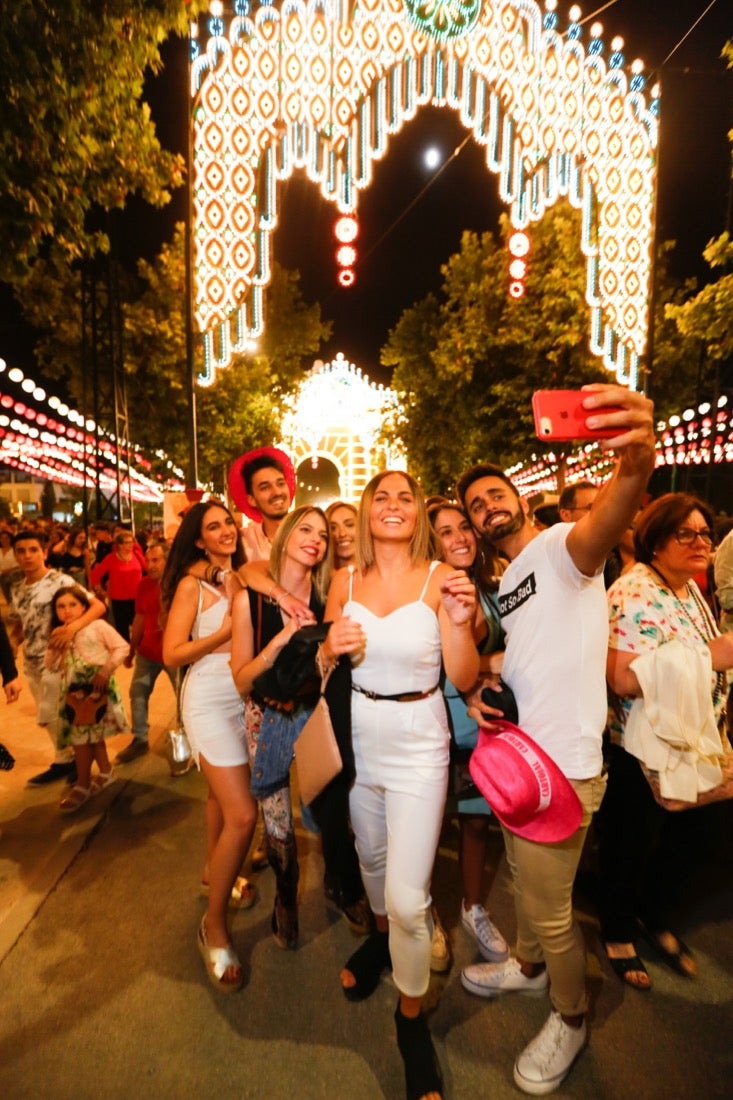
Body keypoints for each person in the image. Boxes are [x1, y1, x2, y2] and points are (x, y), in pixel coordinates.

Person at [456, 383, 656, 1096]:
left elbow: (605, 519)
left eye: (493, 494)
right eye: (474, 505)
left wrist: (635, 459)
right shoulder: (508, 577)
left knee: (548, 908)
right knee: (522, 885)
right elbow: (527, 651)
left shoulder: (555, 550)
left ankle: (569, 1016)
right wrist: (485, 677)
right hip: (519, 761)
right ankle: (528, 968)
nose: (485, 507)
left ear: (518, 496)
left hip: (564, 768)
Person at [319, 470, 479, 1100]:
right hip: (360, 730)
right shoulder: (344, 580)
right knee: (371, 859)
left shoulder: (441, 580)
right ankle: (383, 944)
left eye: (403, 497)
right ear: (365, 511)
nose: (391, 505)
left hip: (419, 734)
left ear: (417, 512)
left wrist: (462, 623)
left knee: (411, 896)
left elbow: (463, 676)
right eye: (379, 496)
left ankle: (410, 1022)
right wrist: (328, 644)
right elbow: (321, 662)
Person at [598, 493, 733, 991]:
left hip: (695, 739)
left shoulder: (689, 588)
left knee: (700, 839)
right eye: (686, 533)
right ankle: (616, 930)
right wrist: (712, 657)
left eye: (706, 532)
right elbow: (621, 679)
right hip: (643, 745)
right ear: (656, 541)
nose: (701, 542)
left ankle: (655, 915)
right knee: (629, 843)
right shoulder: (633, 591)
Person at [230, 505, 337, 949]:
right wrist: (279, 641)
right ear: (286, 536)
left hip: (314, 713)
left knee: (328, 810)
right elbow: (240, 680)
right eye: (306, 529)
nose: (315, 538)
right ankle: (286, 896)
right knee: (276, 822)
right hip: (266, 714)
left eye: (323, 534)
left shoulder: (331, 592)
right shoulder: (250, 598)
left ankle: (340, 885)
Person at [161, 500, 257, 993]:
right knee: (244, 815)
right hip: (206, 697)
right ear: (197, 540)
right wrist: (221, 631)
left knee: (221, 798)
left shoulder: (241, 574)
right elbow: (171, 651)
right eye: (212, 527)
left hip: (244, 695)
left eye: (228, 523)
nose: (225, 530)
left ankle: (210, 869)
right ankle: (213, 926)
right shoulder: (191, 585)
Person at [427, 502, 509, 967]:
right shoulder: (424, 591)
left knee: (476, 821)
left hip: (480, 725)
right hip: (436, 719)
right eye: (445, 531)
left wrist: (493, 664)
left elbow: (502, 645)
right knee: (429, 825)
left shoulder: (491, 586)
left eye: (464, 528)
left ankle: (473, 907)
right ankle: (427, 914)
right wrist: (488, 664)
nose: (459, 537)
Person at [7, 529, 107, 786]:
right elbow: (21, 625)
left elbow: (97, 606)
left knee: (70, 715)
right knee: (50, 717)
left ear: (44, 552)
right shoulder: (17, 589)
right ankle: (64, 759)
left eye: (33, 550)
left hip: (63, 663)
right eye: (21, 551)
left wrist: (72, 628)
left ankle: (82, 762)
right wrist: (13, 643)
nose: (27, 556)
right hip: (32, 663)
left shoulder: (60, 582)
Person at [42, 586, 129, 813]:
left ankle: (82, 785)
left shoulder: (97, 626)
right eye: (61, 606)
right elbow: (50, 665)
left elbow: (122, 647)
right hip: (72, 695)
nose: (67, 611)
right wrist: (54, 647)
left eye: (73, 605)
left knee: (82, 739)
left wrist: (105, 670)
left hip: (97, 691)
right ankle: (106, 772)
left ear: (83, 606)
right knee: (88, 736)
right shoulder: (58, 632)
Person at [116, 541, 176, 763]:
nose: (149, 565)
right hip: (148, 652)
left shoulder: (179, 585)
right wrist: (131, 650)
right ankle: (140, 739)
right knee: (138, 693)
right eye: (148, 560)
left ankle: (186, 742)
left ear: (168, 561)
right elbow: (139, 619)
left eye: (155, 560)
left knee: (183, 700)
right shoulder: (143, 585)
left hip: (174, 655)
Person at [228, 445, 295, 562]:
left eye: (280, 484)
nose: (277, 492)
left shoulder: (312, 532)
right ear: (251, 500)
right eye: (265, 488)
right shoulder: (243, 541)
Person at [90, 530, 144, 641]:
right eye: (125, 543)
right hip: (119, 599)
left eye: (131, 542)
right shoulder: (111, 558)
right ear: (118, 545)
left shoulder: (137, 555)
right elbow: (95, 575)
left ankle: (139, 651)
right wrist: (100, 591)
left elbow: (147, 569)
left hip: (137, 597)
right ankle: (126, 652)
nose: (129, 546)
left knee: (139, 627)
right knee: (122, 629)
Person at [326, 500, 357, 569]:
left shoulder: (379, 574)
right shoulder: (315, 578)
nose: (342, 534)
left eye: (349, 525)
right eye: (333, 528)